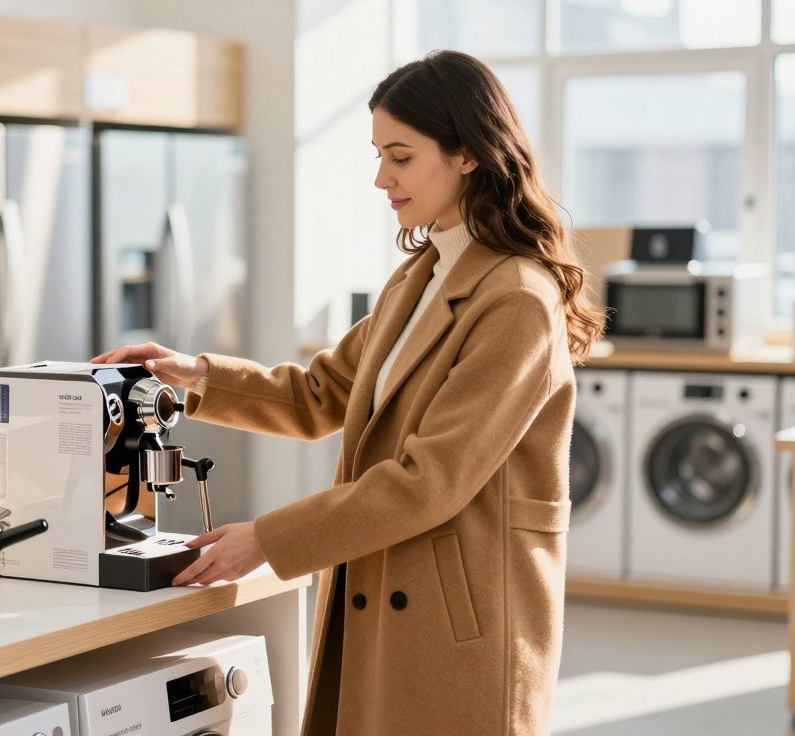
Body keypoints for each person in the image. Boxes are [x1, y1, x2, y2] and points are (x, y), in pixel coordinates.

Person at [92, 50, 605, 735]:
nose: (380, 179)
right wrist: (198, 378)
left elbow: (430, 481)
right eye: (377, 155)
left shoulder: (516, 300)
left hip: (460, 624)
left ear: (467, 155)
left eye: (400, 156)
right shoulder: (418, 277)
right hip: (385, 589)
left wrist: (268, 539)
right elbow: (317, 395)